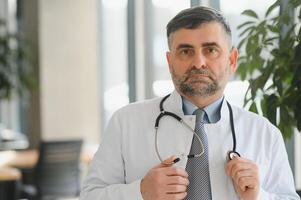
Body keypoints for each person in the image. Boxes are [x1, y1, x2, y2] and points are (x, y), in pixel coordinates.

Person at [80, 6, 300, 200]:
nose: (198, 62)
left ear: (232, 60)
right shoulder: (125, 123)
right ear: (170, 61)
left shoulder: (264, 133)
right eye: (186, 51)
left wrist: (257, 196)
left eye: (210, 50)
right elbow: (90, 196)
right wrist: (140, 192)